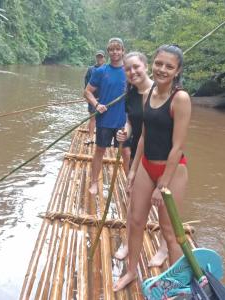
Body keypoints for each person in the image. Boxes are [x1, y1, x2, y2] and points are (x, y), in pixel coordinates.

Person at [113, 44, 192, 292]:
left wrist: (163, 185)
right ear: (153, 64)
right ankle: (131, 272)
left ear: (177, 70)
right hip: (146, 165)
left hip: (172, 170)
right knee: (135, 221)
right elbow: (144, 137)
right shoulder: (147, 94)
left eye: (169, 66)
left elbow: (177, 147)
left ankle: (174, 285)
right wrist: (134, 169)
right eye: (159, 63)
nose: (162, 69)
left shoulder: (180, 98)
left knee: (170, 232)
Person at [114, 51, 168, 268]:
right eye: (128, 69)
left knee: (164, 204)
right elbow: (131, 122)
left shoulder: (161, 90)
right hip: (138, 153)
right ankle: (129, 242)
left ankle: (164, 248)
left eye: (136, 67)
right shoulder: (131, 94)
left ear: (145, 65)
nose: (132, 72)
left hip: (162, 155)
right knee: (133, 201)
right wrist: (124, 132)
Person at [84, 37, 131, 195]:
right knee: (100, 150)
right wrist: (96, 105)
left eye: (118, 49)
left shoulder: (129, 71)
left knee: (126, 153)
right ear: (108, 52)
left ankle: (129, 184)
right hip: (104, 120)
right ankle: (94, 182)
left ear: (123, 51)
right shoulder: (100, 71)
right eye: (112, 49)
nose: (115, 52)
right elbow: (87, 92)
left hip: (123, 121)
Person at [84, 50, 106, 145]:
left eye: (101, 57)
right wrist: (88, 97)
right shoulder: (91, 69)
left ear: (104, 58)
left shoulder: (107, 69)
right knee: (92, 118)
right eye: (98, 57)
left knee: (105, 118)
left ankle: (104, 138)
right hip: (93, 98)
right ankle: (90, 138)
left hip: (104, 98)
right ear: (96, 58)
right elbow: (86, 84)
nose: (99, 59)